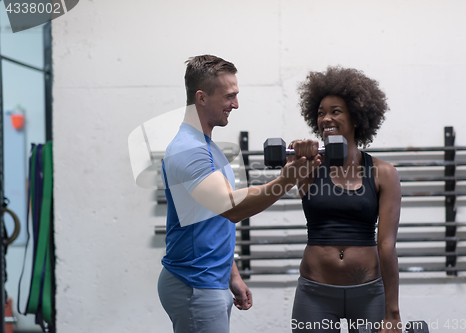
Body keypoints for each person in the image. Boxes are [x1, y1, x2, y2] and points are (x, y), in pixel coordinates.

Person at [158, 54, 321, 333]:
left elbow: (211, 219)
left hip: (210, 278)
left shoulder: (207, 146)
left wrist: (231, 274)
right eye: (229, 96)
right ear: (201, 97)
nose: (235, 104)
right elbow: (230, 208)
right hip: (195, 284)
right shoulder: (190, 150)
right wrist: (287, 179)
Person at [291, 66, 402, 333]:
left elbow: (386, 245)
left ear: (356, 117)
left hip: (368, 294)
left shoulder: (384, 173)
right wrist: (298, 160)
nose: (325, 118)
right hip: (315, 291)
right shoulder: (309, 167)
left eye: (335, 111)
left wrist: (393, 312)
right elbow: (295, 182)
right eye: (320, 113)